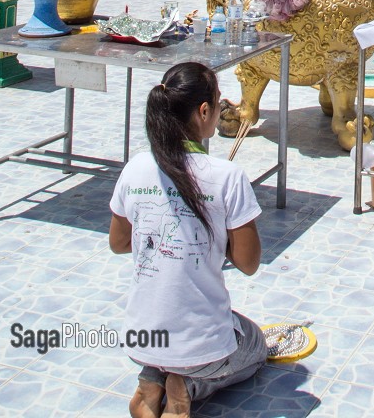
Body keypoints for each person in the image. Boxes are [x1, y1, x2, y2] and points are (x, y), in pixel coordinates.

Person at [109, 63, 265, 417]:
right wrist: (217, 236)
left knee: (182, 322)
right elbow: (249, 263)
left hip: (140, 339)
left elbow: (118, 243)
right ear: (205, 111)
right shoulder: (227, 176)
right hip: (202, 348)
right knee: (255, 346)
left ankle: (152, 377)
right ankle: (186, 386)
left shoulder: (135, 167)